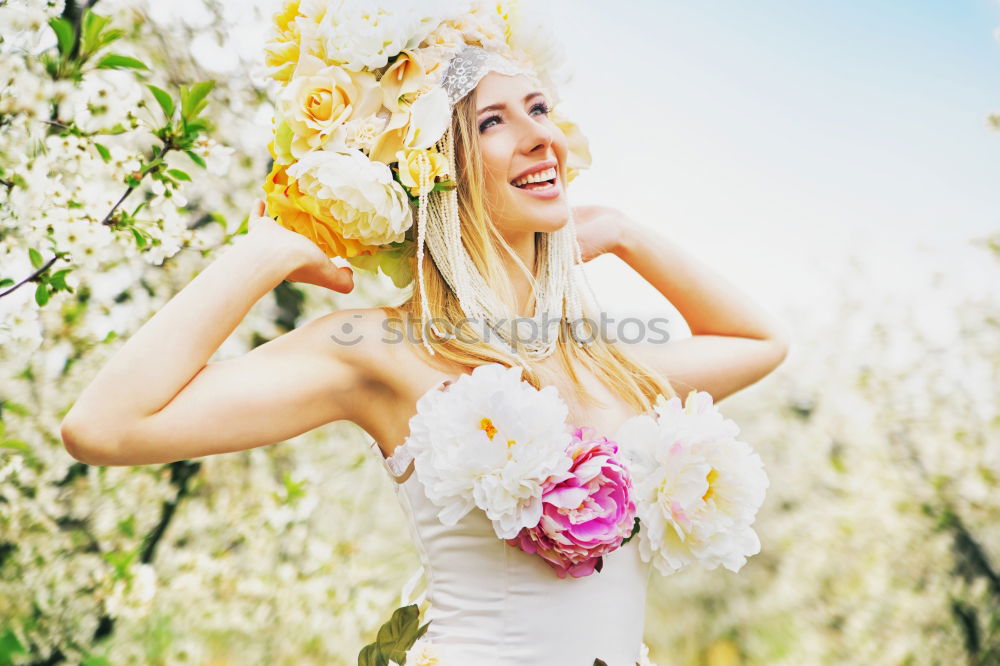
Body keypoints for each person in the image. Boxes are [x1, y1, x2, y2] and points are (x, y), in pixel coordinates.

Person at [60, 23, 790, 666]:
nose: (541, 135)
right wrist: (266, 253)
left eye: (540, 110)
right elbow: (103, 426)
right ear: (434, 169)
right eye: (492, 122)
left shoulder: (606, 366)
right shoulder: (379, 351)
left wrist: (626, 233)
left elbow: (760, 341)